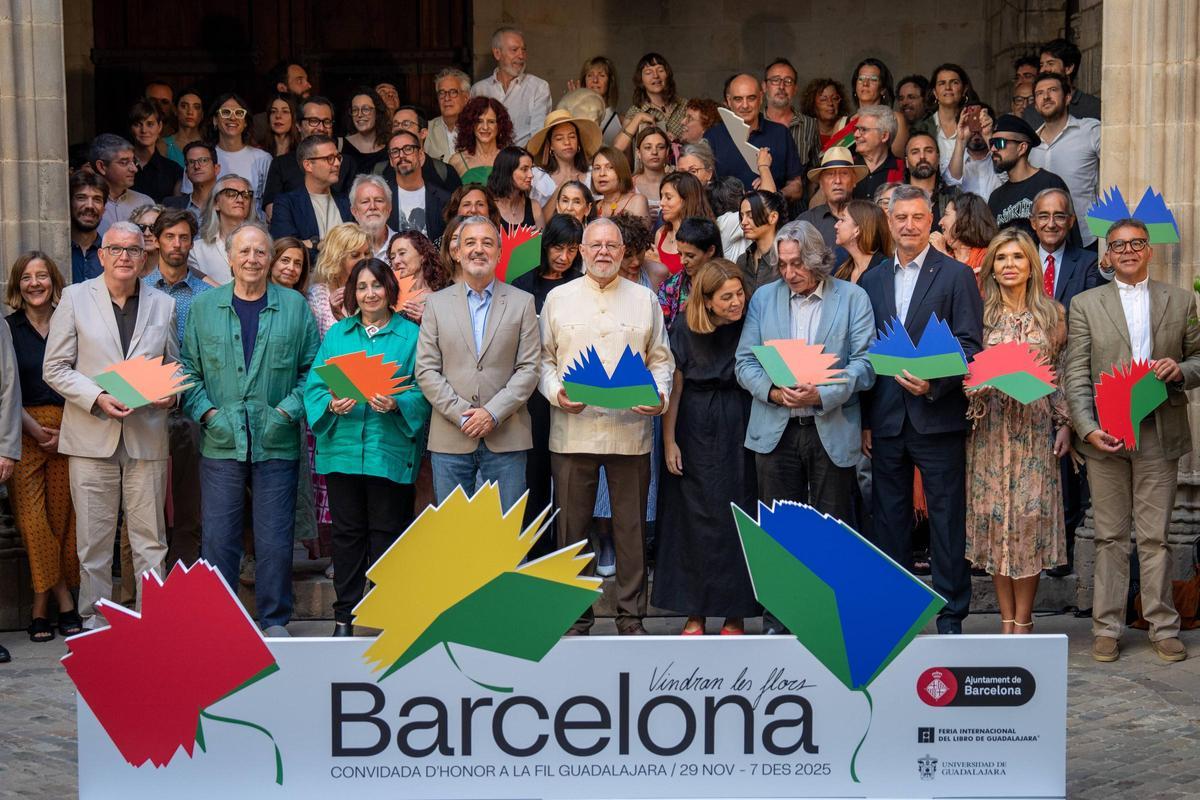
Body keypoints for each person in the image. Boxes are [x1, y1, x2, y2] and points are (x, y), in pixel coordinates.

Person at [1064, 218, 1197, 663]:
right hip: (1105, 436)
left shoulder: (1180, 301)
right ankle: (1107, 628)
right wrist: (1086, 428)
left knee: (1156, 537)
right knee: (1109, 537)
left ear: (1149, 250)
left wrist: (1181, 370)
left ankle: (1162, 626)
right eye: (1118, 245)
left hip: (1159, 430)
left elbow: (1199, 357)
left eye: (1136, 244)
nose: (1127, 251)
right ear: (1107, 254)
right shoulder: (1084, 304)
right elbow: (1076, 374)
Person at [735, 220, 876, 634]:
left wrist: (824, 394)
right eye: (782, 265)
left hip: (830, 426)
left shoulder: (853, 297)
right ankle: (778, 618)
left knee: (834, 527)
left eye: (797, 264)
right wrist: (774, 393)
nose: (789, 273)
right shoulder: (764, 298)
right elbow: (745, 362)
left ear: (818, 260)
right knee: (780, 531)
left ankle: (831, 616)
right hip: (776, 428)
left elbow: (867, 365)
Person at [181, 221, 319, 636]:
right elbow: (188, 371)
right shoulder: (205, 308)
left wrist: (287, 412)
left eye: (261, 252)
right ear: (229, 258)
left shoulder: (295, 306)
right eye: (244, 252)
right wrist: (207, 414)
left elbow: (314, 370)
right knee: (219, 538)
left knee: (275, 538)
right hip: (221, 440)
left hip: (276, 438)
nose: (253, 259)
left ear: (271, 259)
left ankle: (274, 618)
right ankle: (221, 621)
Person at [858, 184, 983, 634]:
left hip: (938, 414)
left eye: (917, 218)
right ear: (888, 222)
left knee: (947, 519)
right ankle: (895, 610)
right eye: (900, 218)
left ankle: (951, 614)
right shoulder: (871, 280)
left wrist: (936, 382)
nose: (908, 225)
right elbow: (865, 350)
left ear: (930, 222)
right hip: (887, 418)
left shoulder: (956, 276)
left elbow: (970, 344)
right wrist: (867, 421)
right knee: (888, 520)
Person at [540, 218, 674, 635]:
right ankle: (572, 615)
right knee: (571, 530)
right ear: (580, 250)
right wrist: (557, 393)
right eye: (594, 245)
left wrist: (659, 396)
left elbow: (661, 359)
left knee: (631, 531)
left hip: (630, 430)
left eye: (611, 246)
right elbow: (543, 360)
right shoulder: (558, 299)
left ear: (623, 252)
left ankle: (631, 617)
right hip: (572, 429)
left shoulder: (643, 299)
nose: (603, 252)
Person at [43, 221, 178, 629]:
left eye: (133, 250)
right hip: (90, 436)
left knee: (151, 540)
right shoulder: (73, 298)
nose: (124, 257)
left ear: (144, 257)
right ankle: (95, 621)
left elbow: (174, 366)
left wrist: (172, 394)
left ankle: (155, 622)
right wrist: (97, 397)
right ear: (101, 255)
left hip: (147, 434)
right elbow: (55, 367)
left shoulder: (163, 304)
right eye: (116, 249)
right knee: (94, 543)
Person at [304, 258, 430, 636]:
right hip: (342, 449)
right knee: (346, 536)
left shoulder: (411, 336)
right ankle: (344, 616)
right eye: (362, 287)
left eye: (376, 285)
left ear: (390, 289)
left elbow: (423, 390)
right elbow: (314, 385)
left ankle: (387, 613)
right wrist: (329, 402)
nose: (370, 293)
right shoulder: (338, 334)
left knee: (388, 533)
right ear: (353, 294)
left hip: (387, 450)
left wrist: (397, 404)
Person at [966, 229, 1070, 634]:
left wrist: (1065, 424)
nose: (1009, 265)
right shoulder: (979, 314)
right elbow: (966, 373)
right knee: (996, 522)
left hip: (1034, 431)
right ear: (992, 265)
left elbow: (1060, 374)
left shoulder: (1053, 315)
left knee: (1028, 522)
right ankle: (1005, 619)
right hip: (990, 430)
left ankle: (1024, 621)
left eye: (1018, 257)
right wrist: (978, 385)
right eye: (1002, 258)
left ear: (1031, 265)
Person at [657, 260, 758, 635]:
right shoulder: (684, 326)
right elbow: (676, 386)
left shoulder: (750, 323)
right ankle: (694, 612)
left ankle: (736, 613)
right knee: (690, 519)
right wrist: (669, 441)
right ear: (708, 300)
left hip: (739, 418)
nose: (736, 302)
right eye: (726, 297)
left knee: (738, 514)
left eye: (739, 293)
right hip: (693, 422)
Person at [414, 216, 541, 510]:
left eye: (487, 243)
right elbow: (426, 370)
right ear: (456, 253)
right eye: (469, 242)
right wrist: (464, 415)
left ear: (499, 253)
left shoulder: (523, 302)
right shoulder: (436, 304)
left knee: (505, 537)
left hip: (506, 434)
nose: (478, 250)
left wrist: (492, 413)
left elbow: (529, 368)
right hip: (451, 436)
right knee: (453, 533)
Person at [6, 253, 81, 643]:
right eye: (26, 278)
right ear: (17, 285)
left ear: (54, 280)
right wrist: (36, 431)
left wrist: (66, 428)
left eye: (42, 276)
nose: (35, 283)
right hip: (23, 432)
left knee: (64, 526)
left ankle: (39, 611)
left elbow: (85, 375)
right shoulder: (7, 329)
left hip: (71, 430)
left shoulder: (71, 322)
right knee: (34, 525)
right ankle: (64, 599)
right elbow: (5, 389)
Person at [142, 208, 210, 568]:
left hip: (191, 405)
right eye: (170, 236)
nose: (177, 244)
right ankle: (145, 587)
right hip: (146, 407)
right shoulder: (140, 289)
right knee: (144, 502)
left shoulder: (205, 294)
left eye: (184, 237)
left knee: (189, 501)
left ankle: (187, 575)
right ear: (156, 239)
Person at [1027, 71, 1101, 247]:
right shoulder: (1029, 145)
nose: (1046, 97)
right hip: (1044, 240)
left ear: (1068, 97)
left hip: (1087, 236)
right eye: (1039, 93)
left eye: (1052, 90)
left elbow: (1118, 170)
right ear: (1035, 105)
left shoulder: (1090, 131)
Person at [705, 73, 802, 201]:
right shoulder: (713, 137)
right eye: (738, 99)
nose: (745, 105)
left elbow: (797, 187)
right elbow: (703, 185)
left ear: (761, 98)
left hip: (772, 216)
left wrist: (771, 194)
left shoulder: (780, 134)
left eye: (751, 98)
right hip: (725, 218)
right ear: (728, 101)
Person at [262, 97, 356, 214]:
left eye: (326, 122)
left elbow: (354, 209)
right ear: (298, 125)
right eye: (313, 121)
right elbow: (273, 212)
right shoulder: (281, 164)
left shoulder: (346, 163)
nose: (321, 128)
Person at [268, 134, 353, 260]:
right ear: (308, 165)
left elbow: (355, 246)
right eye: (329, 158)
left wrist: (310, 244)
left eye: (338, 157)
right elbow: (286, 249)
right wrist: (317, 244)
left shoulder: (346, 202)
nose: (337, 163)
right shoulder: (287, 203)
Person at [986, 114, 1069, 239]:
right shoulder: (995, 197)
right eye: (991, 142)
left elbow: (1069, 239)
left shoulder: (1050, 184)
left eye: (999, 143)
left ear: (1022, 148)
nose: (992, 149)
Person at [471, 26, 552, 147]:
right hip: (486, 161)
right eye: (514, 50)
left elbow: (538, 136)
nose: (521, 56)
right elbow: (471, 131)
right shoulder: (479, 90)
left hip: (523, 160)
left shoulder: (539, 87)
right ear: (497, 53)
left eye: (523, 50)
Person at [203, 94, 272, 218]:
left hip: (253, 231)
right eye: (225, 112)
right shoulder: (202, 157)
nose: (232, 117)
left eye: (239, 113)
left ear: (245, 122)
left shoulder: (263, 159)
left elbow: (269, 205)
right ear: (215, 120)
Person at [382, 129, 452, 243]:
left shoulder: (444, 199)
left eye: (408, 149)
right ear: (390, 160)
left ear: (420, 154)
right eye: (395, 151)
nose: (401, 155)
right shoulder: (382, 197)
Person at [762, 58, 821, 183]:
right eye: (775, 80)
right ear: (764, 87)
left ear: (795, 89)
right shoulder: (754, 122)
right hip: (759, 200)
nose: (782, 86)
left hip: (799, 201)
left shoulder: (809, 125)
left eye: (788, 81)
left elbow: (815, 173)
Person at [308, 223, 372, 336]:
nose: (364, 259)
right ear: (337, 258)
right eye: (355, 255)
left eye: (367, 253)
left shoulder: (376, 291)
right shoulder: (318, 295)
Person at [189, 173, 253, 284]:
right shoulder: (197, 250)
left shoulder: (262, 247)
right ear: (216, 204)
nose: (240, 199)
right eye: (231, 193)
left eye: (246, 194)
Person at [1023, 38, 1102, 126]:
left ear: (1068, 68)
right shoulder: (1031, 112)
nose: (1043, 70)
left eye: (1050, 63)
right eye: (1041, 65)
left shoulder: (1093, 107)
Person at [798, 147, 867, 246]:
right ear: (821, 183)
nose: (837, 181)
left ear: (854, 180)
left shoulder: (868, 217)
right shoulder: (807, 221)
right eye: (830, 174)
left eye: (844, 173)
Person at [528, 110, 601, 199]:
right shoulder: (537, 176)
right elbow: (537, 212)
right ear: (550, 145)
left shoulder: (592, 174)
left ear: (578, 142)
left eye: (572, 137)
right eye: (559, 138)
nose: (567, 142)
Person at [930, 192, 998, 287]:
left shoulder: (988, 257)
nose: (940, 222)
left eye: (946, 214)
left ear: (964, 218)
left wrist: (943, 253)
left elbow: (968, 292)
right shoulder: (941, 254)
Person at [654, 171, 713, 277]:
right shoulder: (661, 233)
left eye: (668, 197)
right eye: (661, 197)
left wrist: (660, 267)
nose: (661, 203)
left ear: (687, 200)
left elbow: (697, 283)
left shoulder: (702, 236)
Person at [92, 134, 153, 236]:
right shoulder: (87, 206)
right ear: (102, 167)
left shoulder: (145, 203)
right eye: (124, 163)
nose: (134, 169)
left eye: (134, 162)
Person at [624, 53, 688, 143]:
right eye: (648, 72)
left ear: (668, 74)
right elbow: (622, 152)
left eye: (660, 70)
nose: (655, 76)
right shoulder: (634, 112)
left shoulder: (685, 105)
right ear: (640, 79)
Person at [850, 58, 909, 157]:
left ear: (882, 89)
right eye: (861, 79)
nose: (865, 84)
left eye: (873, 79)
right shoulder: (842, 123)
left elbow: (898, 162)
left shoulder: (896, 119)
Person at [925, 64, 978, 173]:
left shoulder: (976, 123)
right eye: (942, 83)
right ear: (935, 92)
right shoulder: (922, 128)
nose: (948, 88)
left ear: (964, 90)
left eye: (954, 82)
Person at [387, 229, 447, 326]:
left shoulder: (444, 295)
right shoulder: (389, 297)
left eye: (402, 253)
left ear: (423, 255)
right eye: (392, 257)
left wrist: (428, 321)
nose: (396, 261)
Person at [128, 99, 183, 202]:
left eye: (150, 124)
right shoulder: (120, 167)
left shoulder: (174, 171)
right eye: (138, 124)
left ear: (160, 127)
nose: (144, 130)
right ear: (131, 128)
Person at [447, 96, 514, 180]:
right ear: (470, 125)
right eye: (479, 121)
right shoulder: (456, 161)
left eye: (491, 122)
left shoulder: (511, 160)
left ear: (500, 126)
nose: (485, 127)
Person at [737, 189, 787, 294]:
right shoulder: (742, 261)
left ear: (773, 217)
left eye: (750, 215)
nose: (743, 222)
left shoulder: (787, 259)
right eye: (742, 216)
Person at [851, 104, 905, 200]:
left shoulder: (902, 169)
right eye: (856, 129)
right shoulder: (848, 165)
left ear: (884, 136)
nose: (856, 135)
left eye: (863, 129)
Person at [833, 198, 892, 284]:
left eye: (842, 220)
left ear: (857, 230)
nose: (836, 225)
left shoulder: (885, 269)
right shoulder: (841, 268)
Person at [904, 131, 958, 223]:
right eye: (915, 152)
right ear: (906, 162)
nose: (922, 157)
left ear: (938, 158)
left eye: (929, 151)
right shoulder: (894, 197)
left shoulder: (955, 197)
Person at [488, 146, 545, 232]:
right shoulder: (487, 205)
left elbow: (543, 244)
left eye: (531, 168)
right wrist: (514, 241)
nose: (531, 175)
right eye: (524, 169)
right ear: (507, 171)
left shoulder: (534, 207)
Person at [591, 146, 650, 226]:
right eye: (597, 168)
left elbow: (639, 237)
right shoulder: (593, 207)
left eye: (610, 167)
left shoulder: (637, 201)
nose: (602, 174)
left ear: (621, 171)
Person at [164, 141, 221, 224]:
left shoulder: (230, 204)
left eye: (203, 160)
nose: (197, 166)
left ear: (216, 168)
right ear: (186, 171)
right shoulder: (171, 205)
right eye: (191, 162)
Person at [425, 68, 471, 162]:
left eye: (453, 92)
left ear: (466, 98)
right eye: (442, 93)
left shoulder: (478, 128)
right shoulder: (427, 130)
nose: (446, 98)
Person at [612, 212, 667, 291]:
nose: (636, 262)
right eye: (628, 255)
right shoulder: (601, 276)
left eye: (639, 252)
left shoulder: (658, 273)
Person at [346, 174, 396, 260]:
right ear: (354, 211)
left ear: (389, 208)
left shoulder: (405, 245)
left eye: (379, 200)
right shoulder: (345, 248)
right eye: (365, 202)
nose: (372, 207)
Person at [574, 56, 622, 145]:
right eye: (590, 75)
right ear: (584, 82)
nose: (595, 80)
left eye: (601, 75)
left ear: (610, 81)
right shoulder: (573, 115)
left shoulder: (621, 120)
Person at [70, 170, 107, 283]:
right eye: (81, 198)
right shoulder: (56, 250)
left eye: (97, 199)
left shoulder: (111, 253)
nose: (90, 206)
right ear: (69, 203)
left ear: (104, 208)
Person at [342, 87, 390, 175]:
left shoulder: (390, 147)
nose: (359, 114)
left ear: (377, 112)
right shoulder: (340, 146)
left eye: (366, 109)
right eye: (355, 110)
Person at [801, 78, 853, 153]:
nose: (830, 103)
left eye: (835, 98)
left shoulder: (848, 129)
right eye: (823, 99)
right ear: (812, 104)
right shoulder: (805, 132)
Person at [631, 127, 673, 216]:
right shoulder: (629, 185)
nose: (654, 152)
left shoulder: (678, 183)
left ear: (667, 151)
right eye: (648, 147)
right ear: (638, 153)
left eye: (660, 147)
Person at [163, 89, 204, 168]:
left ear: (202, 114)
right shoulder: (163, 145)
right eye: (184, 106)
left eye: (196, 107)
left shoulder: (211, 144)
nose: (190, 112)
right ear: (175, 110)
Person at [129, 205, 163, 277]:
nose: (147, 233)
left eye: (154, 227)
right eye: (141, 227)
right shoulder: (124, 265)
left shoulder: (173, 270)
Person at [265, 92, 301, 158]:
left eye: (285, 111)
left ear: (294, 117)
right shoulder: (260, 151)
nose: (278, 116)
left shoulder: (302, 151)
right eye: (273, 111)